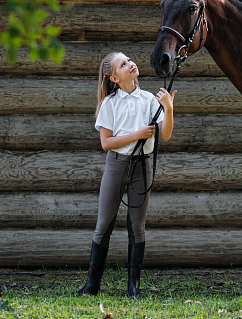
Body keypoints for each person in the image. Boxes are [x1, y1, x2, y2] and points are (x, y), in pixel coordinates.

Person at [79, 51, 176, 298]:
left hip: (142, 168)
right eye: (123, 64)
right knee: (103, 225)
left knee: (137, 226)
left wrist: (169, 109)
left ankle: (133, 288)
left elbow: (164, 135)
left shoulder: (149, 100)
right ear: (114, 78)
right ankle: (92, 285)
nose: (130, 64)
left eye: (129, 60)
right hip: (116, 165)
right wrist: (137, 134)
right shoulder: (110, 104)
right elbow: (106, 143)